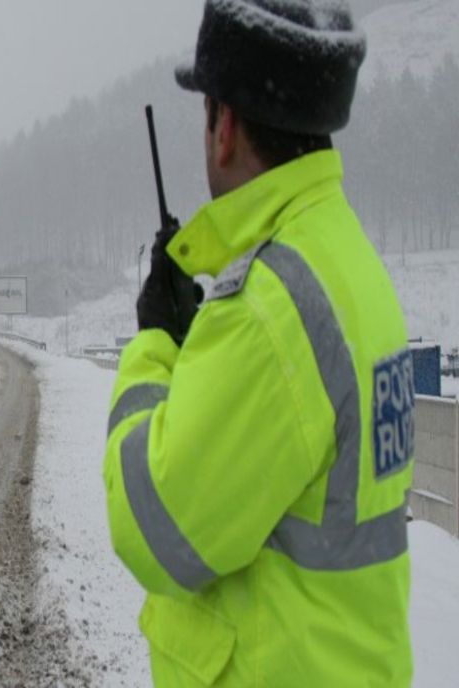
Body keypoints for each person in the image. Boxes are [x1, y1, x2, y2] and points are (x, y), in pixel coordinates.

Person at [103, 1, 414, 685]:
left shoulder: (269, 312)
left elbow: (157, 531)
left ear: (225, 127)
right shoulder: (344, 259)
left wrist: (155, 343)